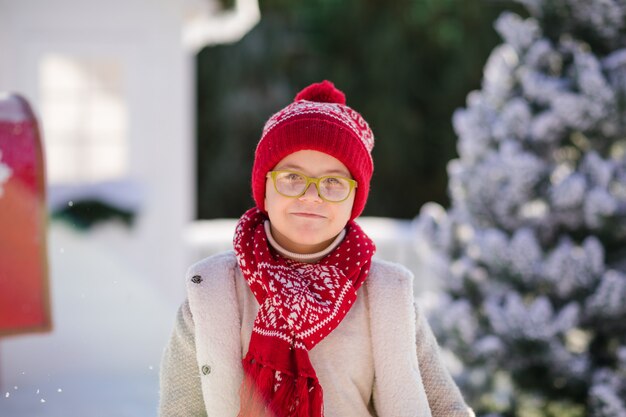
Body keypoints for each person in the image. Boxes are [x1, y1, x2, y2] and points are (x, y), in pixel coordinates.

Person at [159, 80, 474, 417]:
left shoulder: (386, 297)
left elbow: (447, 409)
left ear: (355, 197)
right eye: (292, 178)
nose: (311, 195)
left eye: (333, 183)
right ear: (264, 187)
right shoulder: (213, 294)